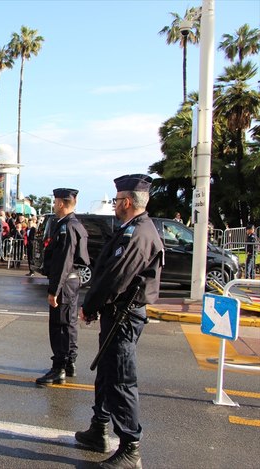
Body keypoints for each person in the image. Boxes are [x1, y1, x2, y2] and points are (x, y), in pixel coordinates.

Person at [75, 174, 164, 469]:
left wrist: (89, 306)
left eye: (116, 200)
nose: (114, 205)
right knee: (107, 372)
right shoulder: (130, 229)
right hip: (116, 314)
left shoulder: (138, 233)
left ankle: (130, 446)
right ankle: (99, 428)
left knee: (121, 379)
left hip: (124, 315)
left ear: (126, 202)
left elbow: (116, 277)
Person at [36, 188, 89, 386]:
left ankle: (59, 368)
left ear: (60, 203)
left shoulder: (67, 226)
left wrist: (54, 291)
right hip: (71, 281)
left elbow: (64, 261)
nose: (54, 204)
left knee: (59, 326)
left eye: (55, 201)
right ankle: (69, 362)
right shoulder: (75, 224)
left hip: (64, 282)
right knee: (69, 323)